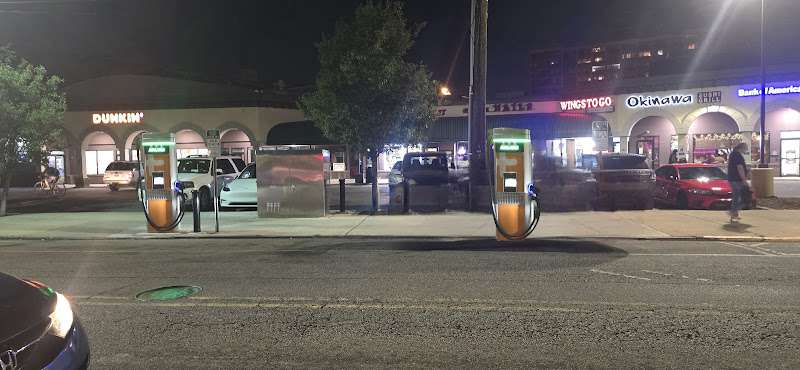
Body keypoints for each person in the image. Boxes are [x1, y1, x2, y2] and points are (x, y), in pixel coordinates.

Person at [727, 143, 749, 223]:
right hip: (736, 179)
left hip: (733, 178)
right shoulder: (737, 155)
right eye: (746, 148)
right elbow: (740, 167)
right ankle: (733, 212)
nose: (746, 150)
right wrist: (744, 179)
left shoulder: (733, 154)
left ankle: (734, 213)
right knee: (738, 196)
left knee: (737, 196)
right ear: (741, 148)